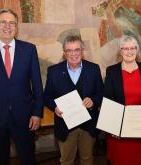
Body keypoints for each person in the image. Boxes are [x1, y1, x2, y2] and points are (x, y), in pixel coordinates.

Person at [0, 9, 43, 164]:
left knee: (28, 159)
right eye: (3, 22)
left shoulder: (29, 49)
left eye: (12, 22)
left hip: (25, 118)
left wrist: (37, 113)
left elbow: (37, 84)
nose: (8, 26)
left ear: (16, 27)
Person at [44, 35, 103, 165]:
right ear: (64, 53)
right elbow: (46, 96)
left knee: (87, 160)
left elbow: (101, 93)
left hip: (88, 125)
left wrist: (93, 100)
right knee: (66, 161)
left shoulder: (93, 69)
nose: (73, 54)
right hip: (65, 125)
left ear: (82, 51)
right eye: (69, 50)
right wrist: (54, 107)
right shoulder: (54, 71)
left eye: (77, 49)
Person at [104, 35, 141, 165]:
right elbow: (107, 100)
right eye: (125, 48)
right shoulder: (112, 71)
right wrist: (113, 127)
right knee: (120, 160)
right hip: (119, 128)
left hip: (140, 126)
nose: (129, 51)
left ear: (137, 49)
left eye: (132, 48)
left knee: (139, 160)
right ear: (121, 51)